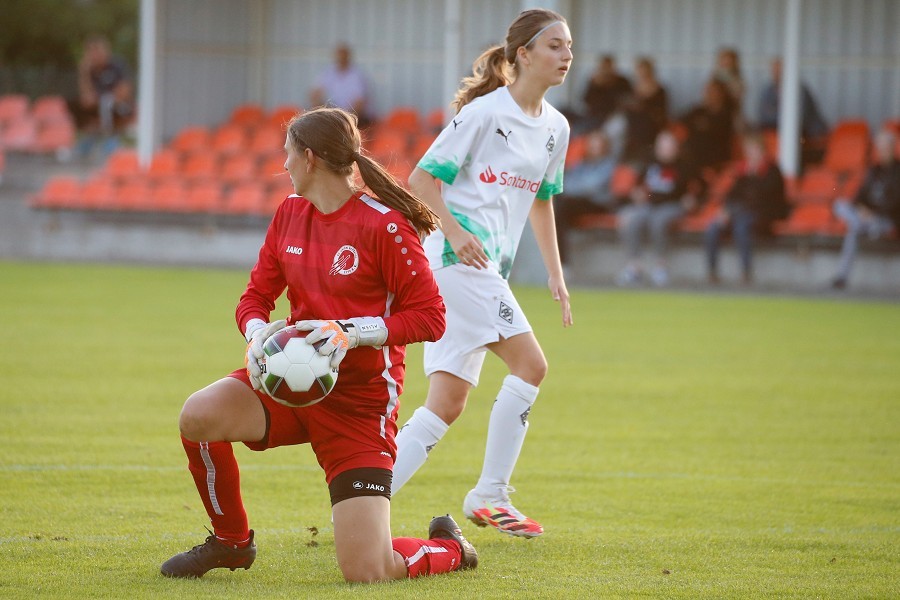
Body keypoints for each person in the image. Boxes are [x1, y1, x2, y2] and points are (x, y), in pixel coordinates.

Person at [160, 107, 478, 582]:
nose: (282, 164)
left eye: (287, 154)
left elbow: (431, 317)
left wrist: (350, 332)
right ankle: (231, 541)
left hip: (358, 404)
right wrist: (257, 334)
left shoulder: (385, 226)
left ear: (308, 159)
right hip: (287, 378)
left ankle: (450, 547)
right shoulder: (289, 213)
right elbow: (254, 298)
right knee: (198, 416)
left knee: (368, 572)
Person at [393, 8, 574, 539]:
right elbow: (420, 180)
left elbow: (542, 202)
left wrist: (555, 275)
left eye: (569, 48)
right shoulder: (483, 115)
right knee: (531, 365)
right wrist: (453, 232)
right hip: (456, 265)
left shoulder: (556, 128)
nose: (566, 57)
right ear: (523, 54)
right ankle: (490, 494)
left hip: (486, 270)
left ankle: (361, 498)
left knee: (445, 404)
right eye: (556, 46)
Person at [617, 129, 700, 287]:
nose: (665, 149)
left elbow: (697, 188)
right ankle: (634, 267)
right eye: (662, 145)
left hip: (673, 205)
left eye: (669, 146)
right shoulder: (649, 163)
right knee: (631, 219)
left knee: (659, 221)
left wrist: (691, 200)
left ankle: (660, 266)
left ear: (676, 148)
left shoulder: (685, 165)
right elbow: (637, 186)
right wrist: (637, 194)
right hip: (649, 204)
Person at [705, 133, 788, 284]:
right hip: (739, 213)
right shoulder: (743, 172)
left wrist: (752, 175)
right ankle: (712, 272)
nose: (751, 154)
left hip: (763, 215)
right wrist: (726, 210)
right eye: (748, 151)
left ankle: (746, 272)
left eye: (754, 150)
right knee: (713, 226)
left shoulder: (772, 171)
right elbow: (732, 195)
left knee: (741, 226)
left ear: (762, 151)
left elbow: (764, 198)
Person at [831, 129, 900, 289]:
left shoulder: (897, 172)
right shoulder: (874, 171)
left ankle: (842, 276)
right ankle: (842, 276)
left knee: (854, 227)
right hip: (865, 219)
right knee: (840, 205)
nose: (882, 152)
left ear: (892, 148)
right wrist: (862, 210)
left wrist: (873, 213)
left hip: (886, 220)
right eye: (880, 148)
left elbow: (895, 203)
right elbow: (858, 197)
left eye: (885, 147)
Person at [555, 129, 621, 265]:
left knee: (562, 207)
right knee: (559, 208)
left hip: (598, 204)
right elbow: (566, 184)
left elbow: (592, 187)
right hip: (577, 202)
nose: (594, 148)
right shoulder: (581, 164)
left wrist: (577, 187)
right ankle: (561, 261)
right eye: (592, 144)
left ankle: (562, 262)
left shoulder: (608, 164)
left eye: (597, 145)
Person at [758, 57, 828, 162]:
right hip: (778, 129)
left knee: (794, 136)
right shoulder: (769, 90)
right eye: (774, 70)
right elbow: (763, 115)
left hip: (806, 133)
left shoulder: (800, 90)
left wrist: (776, 115)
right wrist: (781, 117)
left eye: (779, 70)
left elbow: (800, 116)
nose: (776, 73)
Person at [75, 35, 134, 156]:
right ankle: (87, 143)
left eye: (97, 51)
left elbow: (124, 92)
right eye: (91, 52)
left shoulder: (117, 65)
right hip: (101, 111)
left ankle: (111, 140)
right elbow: (86, 96)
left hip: (120, 108)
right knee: (81, 106)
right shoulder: (91, 70)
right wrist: (84, 72)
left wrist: (101, 99)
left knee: (107, 102)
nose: (94, 55)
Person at [680, 79, 737, 173]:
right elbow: (681, 121)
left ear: (721, 94)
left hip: (714, 158)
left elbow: (716, 134)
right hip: (692, 157)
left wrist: (701, 125)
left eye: (712, 91)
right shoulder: (699, 111)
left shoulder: (726, 115)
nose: (707, 94)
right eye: (706, 91)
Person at [309, 44, 372, 128]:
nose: (341, 59)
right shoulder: (329, 73)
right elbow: (314, 94)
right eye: (339, 56)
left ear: (348, 57)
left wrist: (344, 118)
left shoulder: (357, 76)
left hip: (354, 118)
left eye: (343, 56)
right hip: (334, 115)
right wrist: (320, 110)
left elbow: (359, 104)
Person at [623, 57, 669, 164]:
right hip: (632, 128)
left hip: (650, 128)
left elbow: (661, 113)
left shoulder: (660, 91)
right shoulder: (633, 89)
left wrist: (645, 108)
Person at [582, 54, 632, 128]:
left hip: (616, 116)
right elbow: (586, 100)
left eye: (608, 67)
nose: (606, 70)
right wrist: (595, 85)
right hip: (595, 116)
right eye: (603, 67)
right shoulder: (594, 82)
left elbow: (628, 99)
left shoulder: (622, 82)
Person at [712, 47, 744, 127]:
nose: (726, 63)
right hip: (714, 114)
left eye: (729, 61)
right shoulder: (714, 78)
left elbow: (736, 98)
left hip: (731, 114)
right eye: (724, 60)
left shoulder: (738, 81)